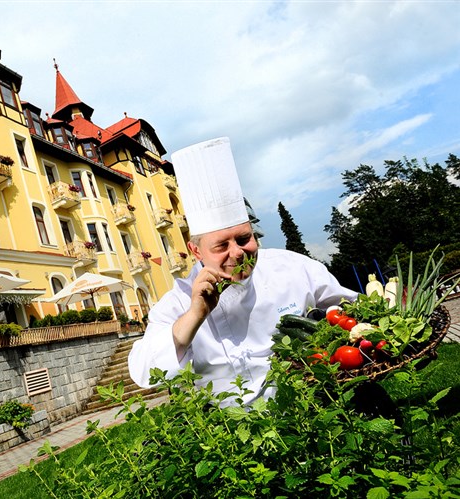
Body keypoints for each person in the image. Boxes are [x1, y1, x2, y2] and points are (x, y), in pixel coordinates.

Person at [128, 137, 356, 403]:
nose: (237, 252)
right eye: (221, 245)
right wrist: (194, 315)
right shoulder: (177, 300)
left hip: (311, 406)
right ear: (196, 251)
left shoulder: (293, 266)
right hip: (231, 429)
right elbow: (144, 372)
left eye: (244, 239)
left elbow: (349, 309)